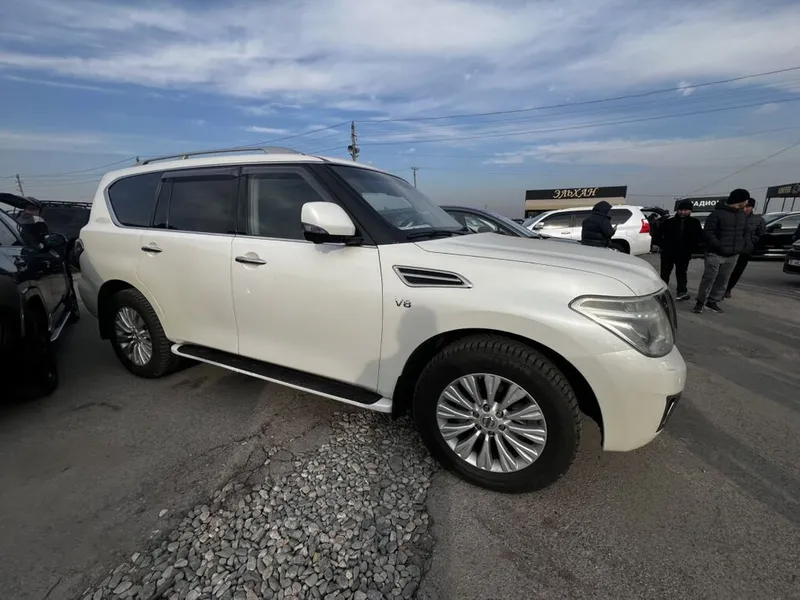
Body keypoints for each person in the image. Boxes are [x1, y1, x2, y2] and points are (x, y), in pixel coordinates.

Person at [693, 189, 749, 314]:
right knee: (709, 278)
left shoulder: (741, 215)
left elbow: (744, 231)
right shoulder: (716, 214)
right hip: (715, 253)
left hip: (733, 254)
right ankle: (700, 302)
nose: (747, 203)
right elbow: (708, 232)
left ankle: (712, 301)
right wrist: (719, 245)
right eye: (746, 200)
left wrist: (741, 245)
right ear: (739, 200)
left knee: (723, 279)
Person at [654, 200, 702, 301]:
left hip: (684, 254)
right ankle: (662, 292)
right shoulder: (668, 222)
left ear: (690, 211)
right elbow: (656, 236)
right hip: (668, 253)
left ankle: (682, 291)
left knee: (682, 273)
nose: (682, 212)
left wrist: (693, 249)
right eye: (681, 210)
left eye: (685, 210)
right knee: (665, 273)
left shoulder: (694, 223)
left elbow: (698, 238)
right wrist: (663, 245)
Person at [724, 198, 766, 298]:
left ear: (752, 207)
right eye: (745, 206)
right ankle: (719, 288)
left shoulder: (759, 220)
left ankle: (728, 289)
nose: (746, 209)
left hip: (746, 250)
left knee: (738, 271)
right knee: (725, 270)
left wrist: (752, 241)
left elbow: (761, 234)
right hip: (732, 248)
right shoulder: (735, 216)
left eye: (749, 207)